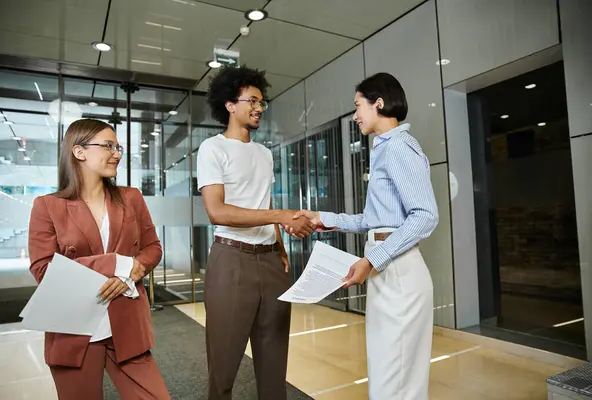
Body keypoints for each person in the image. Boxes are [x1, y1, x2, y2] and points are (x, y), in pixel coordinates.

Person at [293, 72, 439, 400]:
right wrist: (322, 219)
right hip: (387, 271)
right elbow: (371, 220)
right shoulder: (384, 149)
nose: (356, 115)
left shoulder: (400, 146)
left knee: (397, 382)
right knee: (387, 376)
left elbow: (426, 216)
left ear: (380, 103)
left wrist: (372, 259)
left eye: (358, 105)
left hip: (400, 275)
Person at [28, 118, 170, 400]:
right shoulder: (47, 206)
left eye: (118, 146)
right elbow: (44, 269)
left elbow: (153, 247)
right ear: (79, 152)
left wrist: (130, 273)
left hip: (127, 325)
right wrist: (117, 263)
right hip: (73, 329)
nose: (116, 153)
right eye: (108, 145)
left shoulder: (131, 198)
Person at [197, 65, 316, 400]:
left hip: (271, 263)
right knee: (224, 365)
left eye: (262, 102)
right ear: (229, 104)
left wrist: (280, 248)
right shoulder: (212, 149)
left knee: (274, 364)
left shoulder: (265, 154)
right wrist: (280, 216)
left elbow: (264, 202)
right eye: (251, 100)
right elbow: (217, 211)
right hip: (230, 260)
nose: (259, 107)